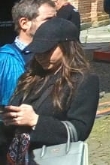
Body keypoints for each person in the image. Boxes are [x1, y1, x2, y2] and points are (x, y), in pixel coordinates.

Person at [0, 18, 98, 164]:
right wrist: (10, 118)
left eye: (47, 51)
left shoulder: (84, 80)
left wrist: (36, 121)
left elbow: (79, 130)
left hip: (51, 158)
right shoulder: (30, 75)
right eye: (37, 51)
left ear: (67, 46)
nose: (40, 57)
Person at [0, 0, 56, 106]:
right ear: (24, 23)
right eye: (48, 20)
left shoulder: (59, 54)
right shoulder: (4, 59)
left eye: (56, 19)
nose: (55, 25)